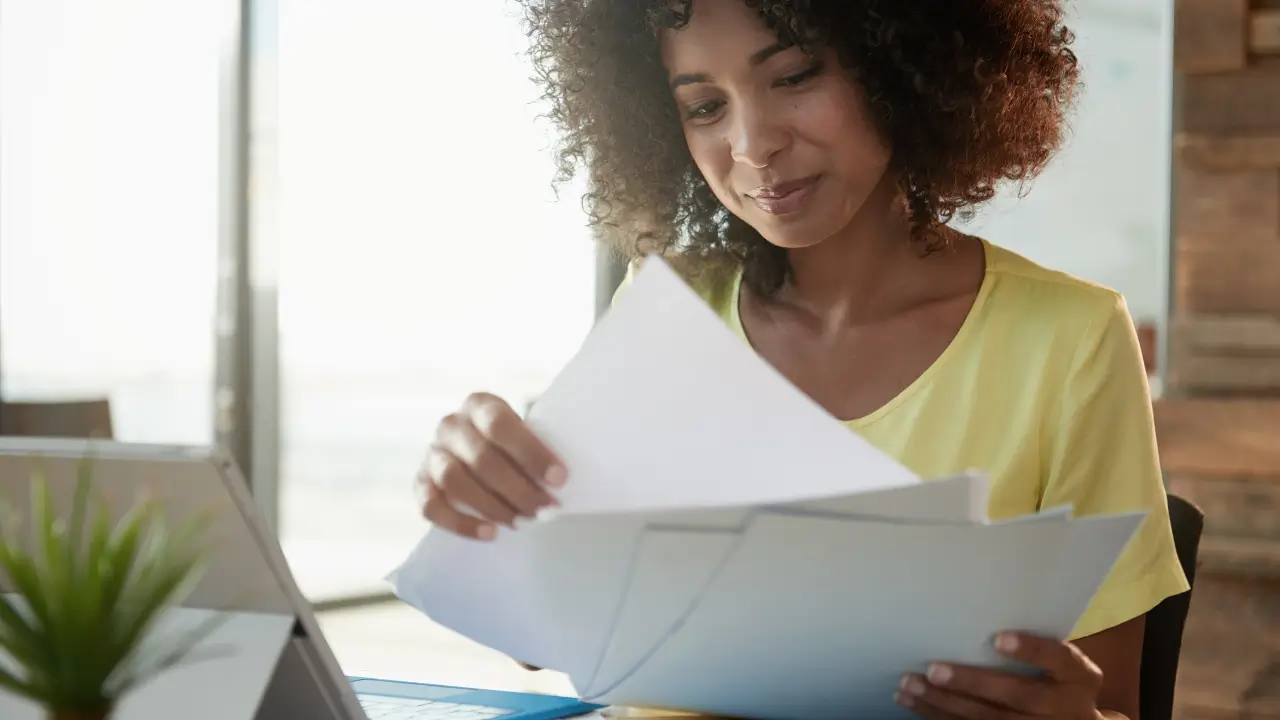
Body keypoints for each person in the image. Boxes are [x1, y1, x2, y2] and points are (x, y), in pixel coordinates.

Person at [417, 0, 1189, 718]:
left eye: (792, 76)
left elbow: (1108, 702)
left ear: (900, 64)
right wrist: (483, 499)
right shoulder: (668, 310)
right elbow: (535, 634)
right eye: (704, 106)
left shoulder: (1070, 341)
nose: (753, 146)